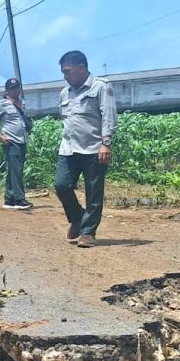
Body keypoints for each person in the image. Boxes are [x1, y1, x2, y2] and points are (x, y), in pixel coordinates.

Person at [53, 50, 116, 248]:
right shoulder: (65, 92)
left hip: (94, 148)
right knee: (61, 185)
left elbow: (109, 115)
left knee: (93, 192)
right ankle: (78, 217)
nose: (65, 76)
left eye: (68, 71)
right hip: (69, 149)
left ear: (81, 68)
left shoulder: (101, 87)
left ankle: (88, 233)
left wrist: (106, 143)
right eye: (63, 72)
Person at [0, 78, 34, 210]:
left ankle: (9, 199)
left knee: (14, 170)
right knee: (16, 170)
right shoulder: (3, 104)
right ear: (7, 90)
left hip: (22, 140)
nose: (15, 90)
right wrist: (0, 137)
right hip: (11, 141)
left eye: (17, 87)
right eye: (12, 88)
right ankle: (20, 199)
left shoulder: (22, 103)